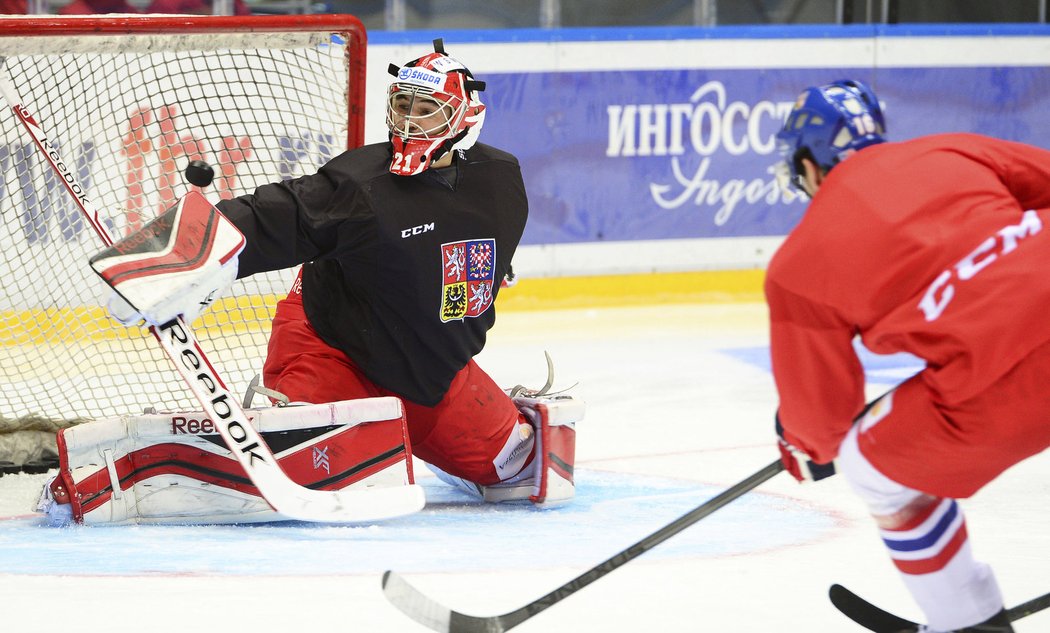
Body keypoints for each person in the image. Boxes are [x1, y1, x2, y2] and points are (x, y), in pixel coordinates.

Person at [38, 39, 578, 526]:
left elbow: (477, 244)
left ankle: (421, 431)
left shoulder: (500, 177)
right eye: (402, 107)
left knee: (524, 473)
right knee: (287, 470)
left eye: (427, 111)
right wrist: (170, 259)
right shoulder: (363, 185)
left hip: (434, 370)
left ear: (464, 118)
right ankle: (141, 465)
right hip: (333, 349)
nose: (410, 124)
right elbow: (272, 215)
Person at [768, 79, 1050, 632]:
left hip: (1005, 383)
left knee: (870, 466)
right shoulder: (950, 149)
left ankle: (967, 619)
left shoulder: (799, 263)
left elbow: (821, 423)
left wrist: (802, 443)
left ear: (809, 164)